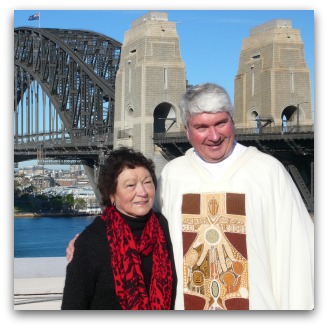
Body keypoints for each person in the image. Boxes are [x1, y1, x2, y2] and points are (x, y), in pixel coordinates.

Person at [67, 83, 314, 311]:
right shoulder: (175, 174)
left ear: (233, 121)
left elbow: (298, 255)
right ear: (187, 131)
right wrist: (90, 242)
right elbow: (142, 226)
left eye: (221, 123)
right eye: (202, 127)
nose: (214, 136)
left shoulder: (268, 172)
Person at [61, 147, 177, 310]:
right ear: (112, 195)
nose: (142, 192)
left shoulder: (166, 227)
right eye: (130, 185)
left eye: (147, 182)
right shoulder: (91, 242)